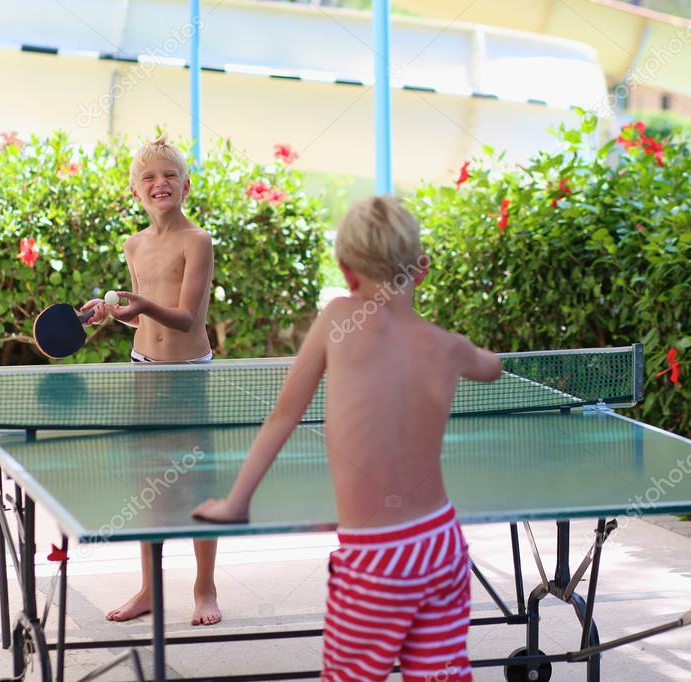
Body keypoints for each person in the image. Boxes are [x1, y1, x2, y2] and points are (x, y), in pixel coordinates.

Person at [191, 196, 501, 680]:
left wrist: (236, 502)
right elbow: (493, 368)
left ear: (347, 271)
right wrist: (463, 348)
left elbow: (283, 417)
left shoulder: (337, 319)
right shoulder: (447, 347)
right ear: (421, 270)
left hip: (375, 557)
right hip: (440, 544)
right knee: (442, 674)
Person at [82, 135, 221, 626]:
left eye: (169, 175)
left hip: (186, 378)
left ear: (186, 184)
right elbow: (142, 320)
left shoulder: (197, 241)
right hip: (143, 371)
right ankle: (149, 589)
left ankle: (205, 587)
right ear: (135, 192)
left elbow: (185, 318)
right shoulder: (133, 244)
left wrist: (138, 305)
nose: (159, 182)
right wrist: (111, 314)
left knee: (198, 486)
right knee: (149, 486)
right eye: (148, 177)